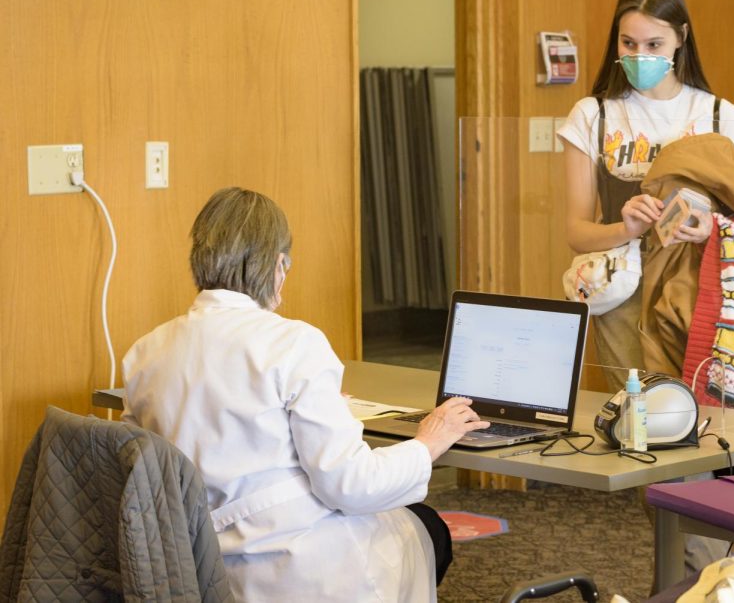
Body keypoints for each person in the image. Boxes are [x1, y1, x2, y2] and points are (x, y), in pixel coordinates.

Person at [121, 187, 490, 602]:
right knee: (427, 527)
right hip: (296, 565)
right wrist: (427, 443)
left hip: (196, 564)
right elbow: (350, 485)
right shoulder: (293, 342)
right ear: (278, 264)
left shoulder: (146, 352)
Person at [556, 0, 734, 392]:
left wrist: (711, 230)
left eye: (654, 45)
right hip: (623, 290)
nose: (639, 55)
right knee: (638, 417)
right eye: (628, 43)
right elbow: (576, 232)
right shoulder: (593, 115)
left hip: (700, 291)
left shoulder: (721, 116)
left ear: (680, 38)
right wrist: (624, 228)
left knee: (701, 418)